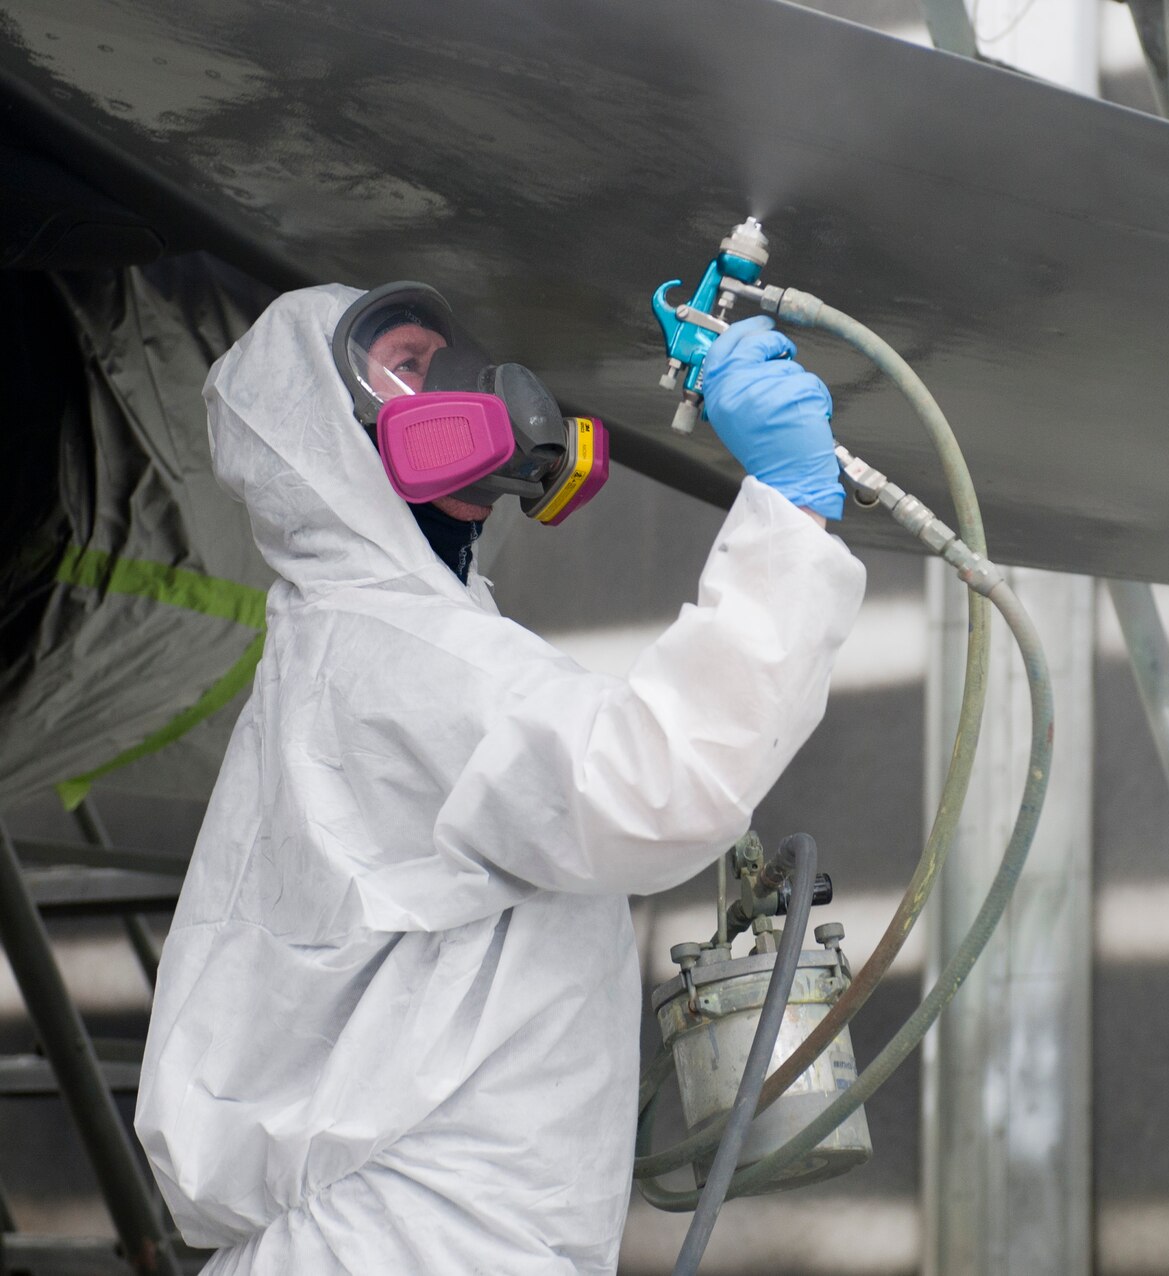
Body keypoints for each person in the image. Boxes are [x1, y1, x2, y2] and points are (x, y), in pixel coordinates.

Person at [133, 283, 864, 1273]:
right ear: (328, 438)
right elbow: (657, 785)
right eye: (408, 365)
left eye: (455, 354)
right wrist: (784, 512)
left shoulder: (373, 635)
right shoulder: (394, 648)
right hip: (406, 1237)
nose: (471, 382)